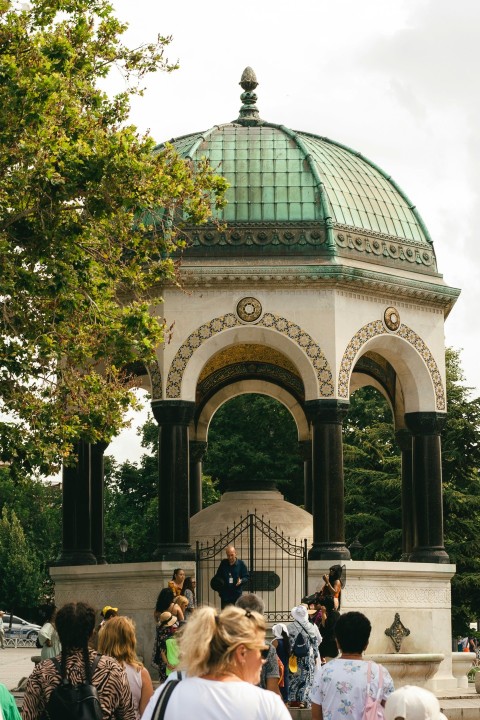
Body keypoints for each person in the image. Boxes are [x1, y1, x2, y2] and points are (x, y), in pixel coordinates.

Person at [141, 604, 291, 720]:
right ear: (241, 652)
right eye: (261, 650)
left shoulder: (167, 694)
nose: (263, 660)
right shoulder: (267, 705)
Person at [22, 601, 135, 720]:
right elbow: (128, 715)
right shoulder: (112, 668)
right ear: (92, 633)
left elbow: (28, 715)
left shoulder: (42, 671)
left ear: (59, 634)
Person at [311, 611, 395, 720]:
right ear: (366, 644)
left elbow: (316, 716)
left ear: (337, 643)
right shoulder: (380, 673)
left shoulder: (323, 672)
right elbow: (391, 711)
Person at [98, 615, 154, 720]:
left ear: (104, 639)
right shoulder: (141, 673)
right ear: (131, 640)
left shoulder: (96, 670)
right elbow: (147, 715)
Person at [236, 593, 282, 697]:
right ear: (261, 615)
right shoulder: (267, 647)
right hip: (256, 706)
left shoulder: (224, 643)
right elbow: (273, 689)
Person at [287, 604, 320, 708]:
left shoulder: (290, 627)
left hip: (294, 656)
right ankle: (303, 701)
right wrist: (315, 656)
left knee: (293, 677)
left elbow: (287, 642)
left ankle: (292, 700)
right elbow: (315, 643)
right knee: (307, 678)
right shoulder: (311, 627)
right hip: (307, 656)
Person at [152, 611, 178, 683]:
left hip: (161, 657)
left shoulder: (159, 628)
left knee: (163, 679)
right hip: (168, 658)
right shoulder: (170, 632)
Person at [272, 623, 290, 703]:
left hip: (277, 665)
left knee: (277, 682)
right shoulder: (287, 641)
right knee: (285, 682)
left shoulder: (275, 641)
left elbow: (271, 654)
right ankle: (285, 699)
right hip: (285, 665)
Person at [318, 596, 340, 663]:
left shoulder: (332, 615)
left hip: (330, 644)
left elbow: (325, 626)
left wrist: (323, 613)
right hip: (333, 643)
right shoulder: (336, 613)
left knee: (330, 663)